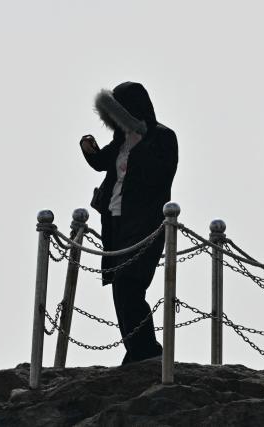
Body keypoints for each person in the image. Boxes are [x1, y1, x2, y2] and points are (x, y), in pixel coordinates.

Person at [80, 81, 178, 364]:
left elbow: (160, 175)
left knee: (130, 284)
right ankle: (139, 351)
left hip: (146, 223)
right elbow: (102, 162)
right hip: (115, 223)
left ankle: (147, 351)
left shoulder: (163, 137)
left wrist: (139, 143)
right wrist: (88, 148)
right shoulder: (121, 141)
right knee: (119, 286)